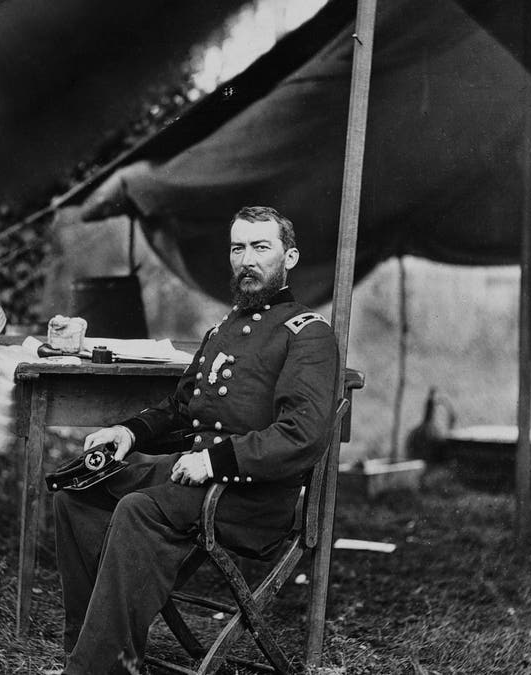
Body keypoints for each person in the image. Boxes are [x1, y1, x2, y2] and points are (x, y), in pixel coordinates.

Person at [52, 206, 340, 674]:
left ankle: (100, 669)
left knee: (138, 509)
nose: (247, 259)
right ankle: (92, 654)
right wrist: (130, 431)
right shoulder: (222, 330)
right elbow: (181, 407)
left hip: (251, 496)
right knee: (77, 491)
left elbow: (302, 435)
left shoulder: (308, 335)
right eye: (238, 248)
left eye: (260, 247)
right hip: (196, 477)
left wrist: (214, 463)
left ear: (289, 257)